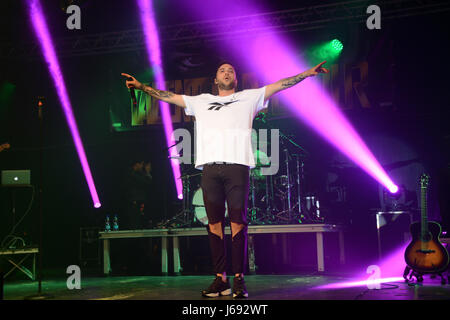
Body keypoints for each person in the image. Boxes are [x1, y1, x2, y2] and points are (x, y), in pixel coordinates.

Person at [121, 60, 328, 298]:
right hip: (210, 169)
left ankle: (238, 279)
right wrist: (141, 86)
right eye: (222, 70)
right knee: (214, 225)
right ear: (215, 80)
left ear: (236, 79)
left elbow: (281, 85)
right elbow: (168, 96)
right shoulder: (200, 101)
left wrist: (308, 73)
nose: (227, 72)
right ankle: (221, 279)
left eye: (231, 70)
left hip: (237, 167)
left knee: (238, 222)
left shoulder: (250, 97)